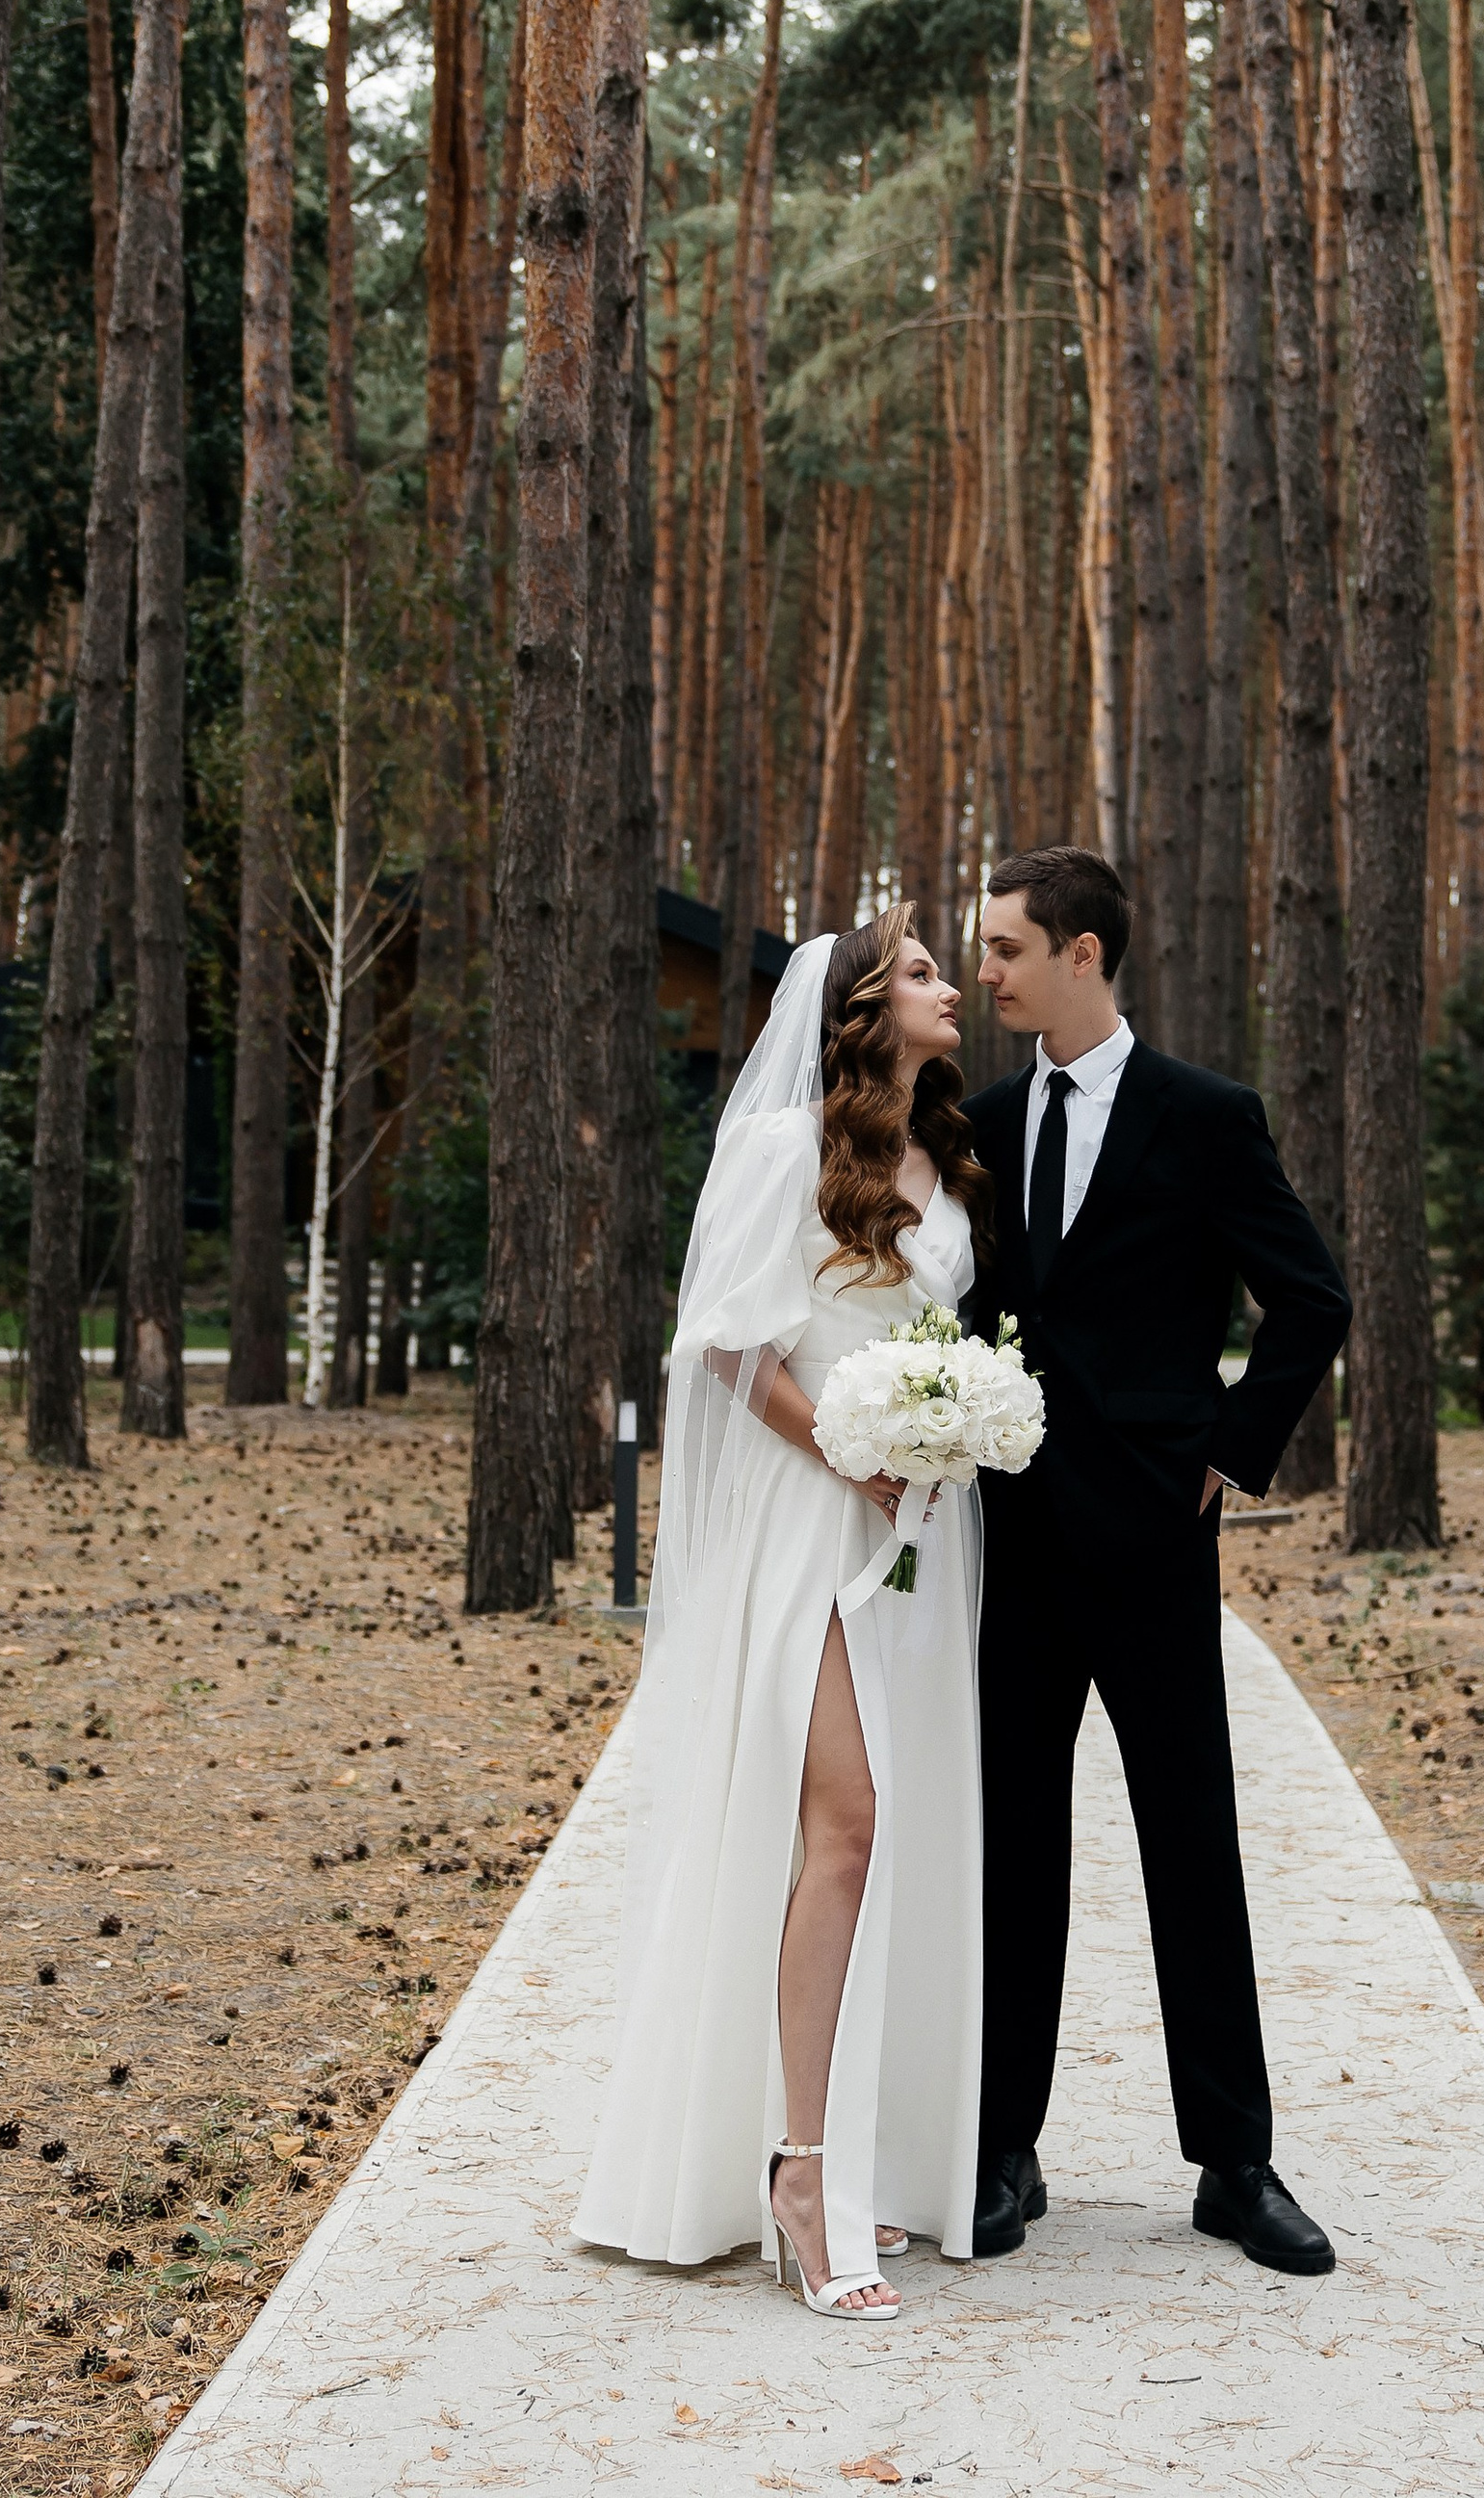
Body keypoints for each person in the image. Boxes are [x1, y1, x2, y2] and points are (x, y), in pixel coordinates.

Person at [575, 905, 989, 2317]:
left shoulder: (950, 1164)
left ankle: (885, 2143)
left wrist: (945, 1439)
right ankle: (799, 2172)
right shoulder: (779, 1151)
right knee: (847, 1821)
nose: (954, 989)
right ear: (864, 1010)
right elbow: (732, 1351)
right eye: (927, 972)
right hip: (813, 1519)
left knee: (889, 1837)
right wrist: (850, 1453)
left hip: (927, 1531)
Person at [962, 844, 1350, 2279]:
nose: (988, 970)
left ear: (1083, 954)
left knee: (1193, 1842)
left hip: (1157, 1540)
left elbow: (1310, 1299)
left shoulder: (1206, 1115)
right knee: (1014, 1845)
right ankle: (1007, 2149)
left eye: (1006, 947)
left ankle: (1235, 2165)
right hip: (1011, 1539)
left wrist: (1231, 1445)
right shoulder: (981, 1123)